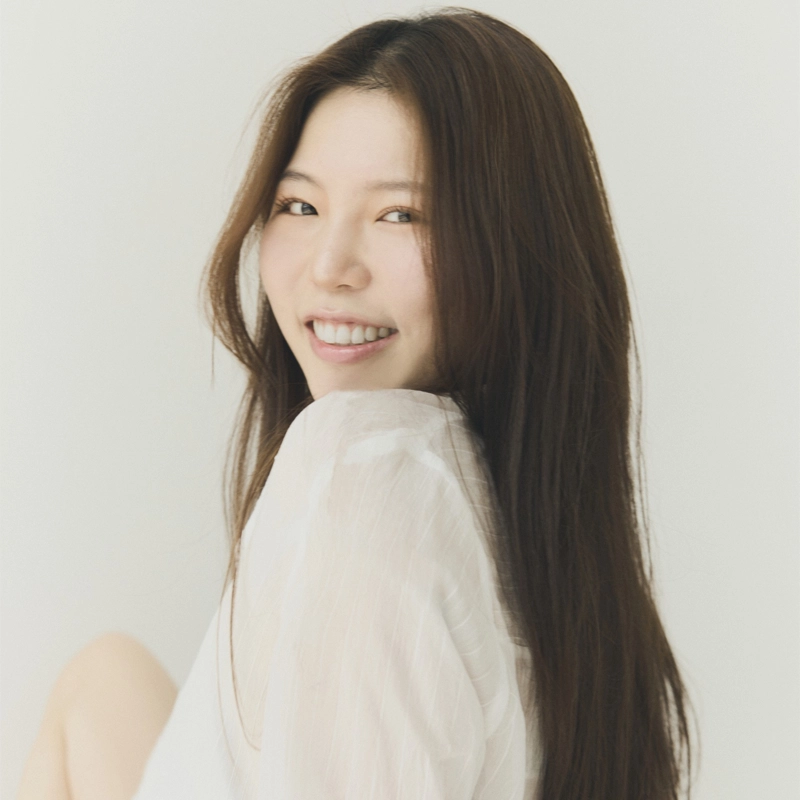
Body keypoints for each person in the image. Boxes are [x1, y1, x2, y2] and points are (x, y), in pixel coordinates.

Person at [17, 7, 697, 799]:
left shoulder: (370, 469)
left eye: (400, 214)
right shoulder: (542, 515)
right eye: (300, 206)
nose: (328, 267)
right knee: (102, 677)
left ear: (513, 248)